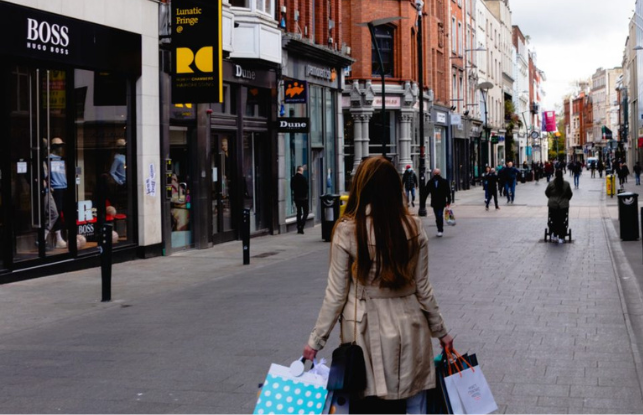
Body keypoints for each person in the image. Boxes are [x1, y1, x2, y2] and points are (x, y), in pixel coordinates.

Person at [302, 156, 453, 414]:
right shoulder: (413, 226)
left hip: (364, 335)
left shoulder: (348, 230)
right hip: (411, 329)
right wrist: (442, 333)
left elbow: (336, 294)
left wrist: (315, 341)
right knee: (412, 403)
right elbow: (423, 288)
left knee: (367, 406)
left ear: (361, 187)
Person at [48, 137, 67, 248]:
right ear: (55, 147)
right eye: (59, 146)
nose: (61, 148)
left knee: (64, 212)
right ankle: (58, 238)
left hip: (64, 187)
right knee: (57, 213)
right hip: (57, 188)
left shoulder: (61, 159)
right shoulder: (49, 159)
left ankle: (63, 236)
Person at [545, 169, 573, 244]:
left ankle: (554, 234)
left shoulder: (551, 184)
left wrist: (551, 198)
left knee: (553, 220)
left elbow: (547, 192)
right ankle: (561, 236)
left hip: (553, 205)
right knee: (562, 221)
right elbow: (570, 194)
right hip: (563, 206)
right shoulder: (566, 184)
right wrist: (566, 199)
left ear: (555, 175)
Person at [427, 168, 451, 237]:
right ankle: (439, 228)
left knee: (440, 215)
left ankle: (440, 230)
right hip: (434, 202)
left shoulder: (444, 181)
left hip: (441, 202)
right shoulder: (431, 182)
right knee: (437, 216)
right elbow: (426, 191)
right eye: (435, 173)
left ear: (439, 174)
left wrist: (448, 201)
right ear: (433, 174)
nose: (436, 175)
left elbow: (448, 192)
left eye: (437, 174)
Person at [290, 165, 309, 234]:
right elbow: (307, 187)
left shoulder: (293, 178)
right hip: (304, 198)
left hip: (296, 198)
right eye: (302, 170)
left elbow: (292, 187)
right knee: (306, 212)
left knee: (299, 212)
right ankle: (302, 225)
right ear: (301, 170)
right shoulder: (304, 178)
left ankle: (298, 227)